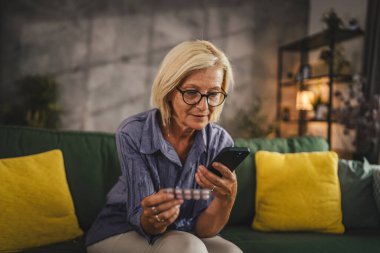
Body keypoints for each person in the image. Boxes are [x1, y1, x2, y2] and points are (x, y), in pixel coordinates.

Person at [86, 40, 242, 253]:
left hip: (185, 234)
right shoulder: (133, 132)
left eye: (213, 94)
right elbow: (144, 223)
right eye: (191, 92)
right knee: (188, 247)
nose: (203, 106)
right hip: (121, 229)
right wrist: (155, 217)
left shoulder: (220, 142)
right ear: (169, 90)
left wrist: (226, 199)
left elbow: (205, 230)